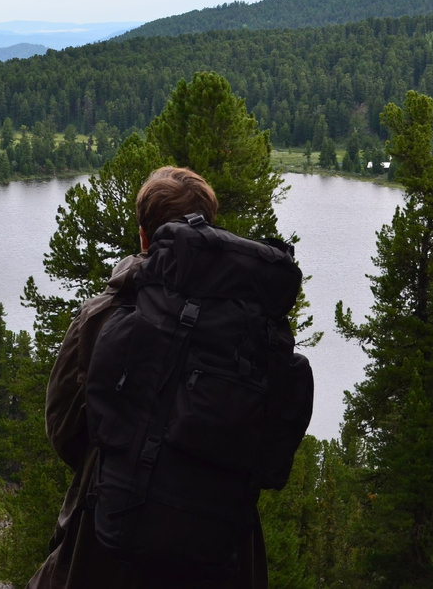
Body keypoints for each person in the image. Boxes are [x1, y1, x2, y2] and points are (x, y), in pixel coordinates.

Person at [27, 166, 268, 589]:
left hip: (108, 540)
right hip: (226, 551)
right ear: (209, 228)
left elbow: (64, 430)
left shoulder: (102, 315)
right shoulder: (255, 323)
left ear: (143, 236)